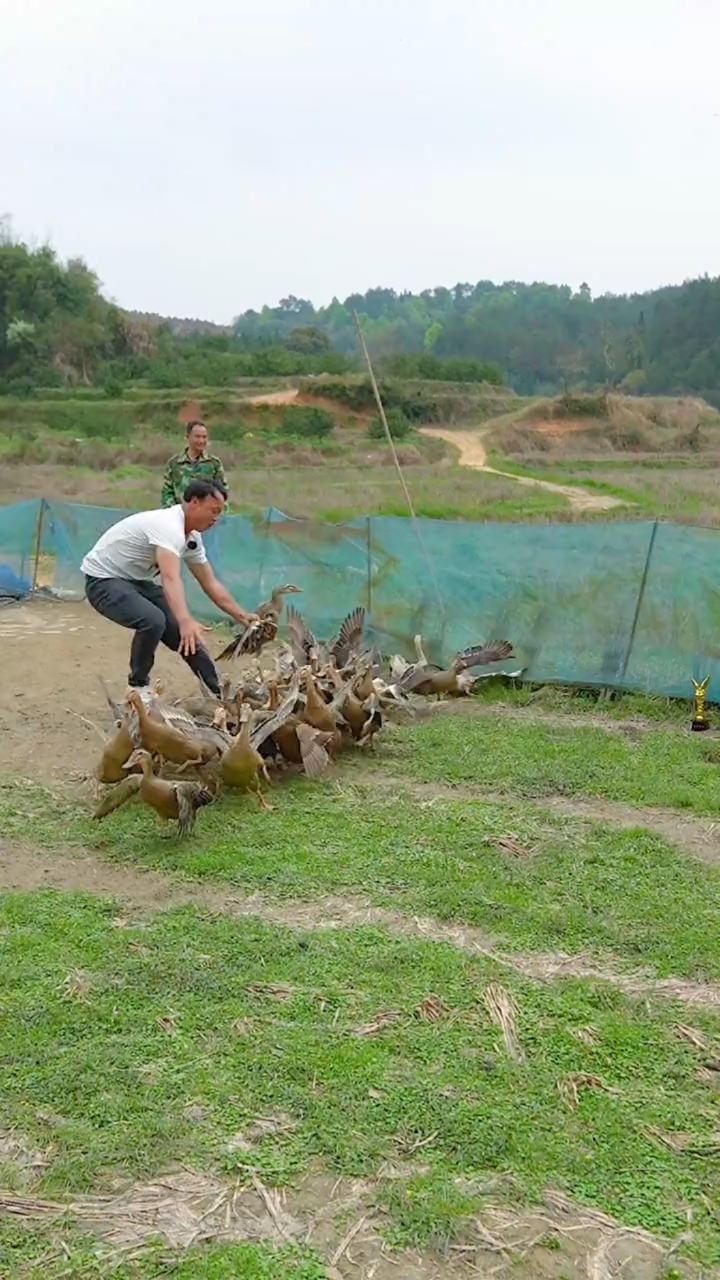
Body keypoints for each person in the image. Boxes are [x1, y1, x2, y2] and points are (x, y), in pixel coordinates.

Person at [81, 479, 257, 700]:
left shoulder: (191, 538)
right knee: (153, 621)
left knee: (185, 636)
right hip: (103, 580)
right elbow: (170, 577)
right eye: (213, 511)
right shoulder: (168, 526)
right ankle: (138, 687)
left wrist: (243, 617)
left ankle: (218, 691)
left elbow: (210, 583)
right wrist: (185, 620)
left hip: (136, 581)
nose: (216, 518)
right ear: (194, 502)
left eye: (219, 513)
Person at [161, 420, 227, 508]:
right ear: (187, 437)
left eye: (204, 437)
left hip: (207, 513)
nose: (201, 440)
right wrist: (173, 511)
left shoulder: (214, 463)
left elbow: (222, 492)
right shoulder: (175, 463)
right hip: (180, 513)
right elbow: (167, 492)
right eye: (197, 436)